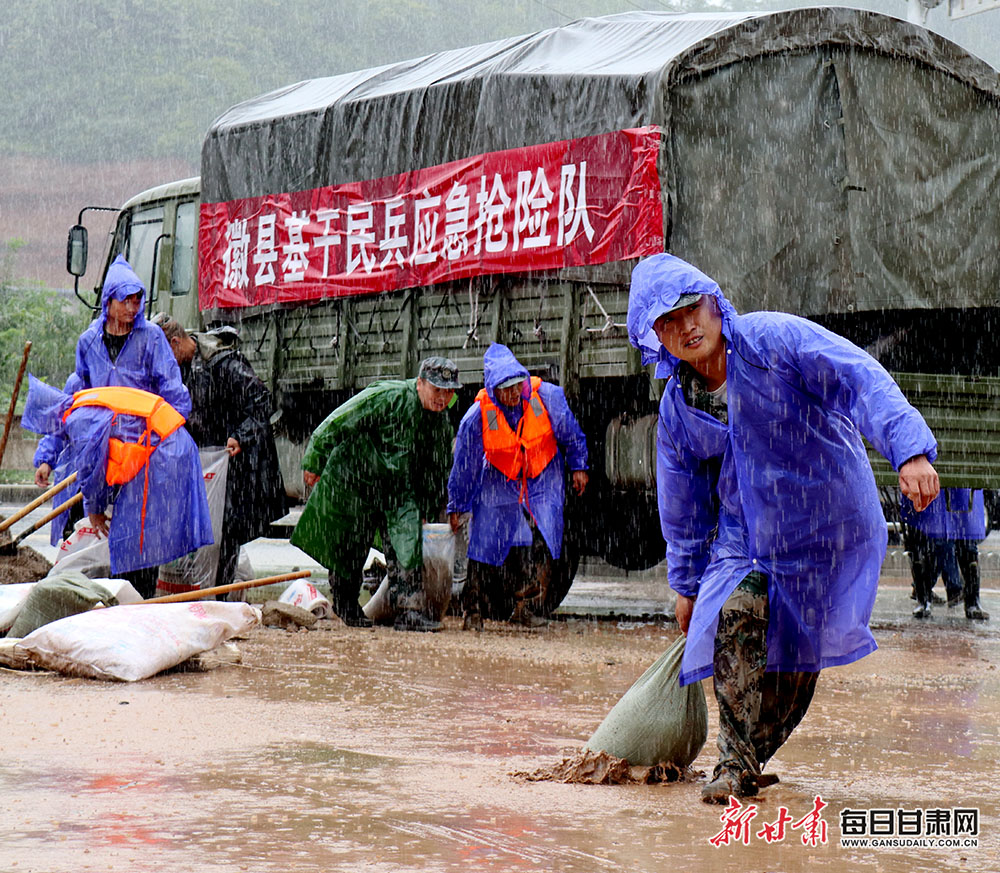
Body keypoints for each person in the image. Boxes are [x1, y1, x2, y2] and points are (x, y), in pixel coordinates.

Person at [627, 253, 940, 804]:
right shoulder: (679, 405)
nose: (687, 327)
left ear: (715, 303)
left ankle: (750, 758)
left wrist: (908, 449)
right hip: (748, 536)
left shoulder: (775, 341)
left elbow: (858, 376)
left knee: (796, 667)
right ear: (656, 337)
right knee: (736, 615)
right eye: (668, 322)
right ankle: (733, 763)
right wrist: (685, 583)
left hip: (824, 523)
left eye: (692, 309)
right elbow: (683, 504)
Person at [32, 255, 194, 596]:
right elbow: (72, 405)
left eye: (137, 300)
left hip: (142, 451)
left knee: (140, 534)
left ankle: (137, 602)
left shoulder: (151, 338)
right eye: (126, 301)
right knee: (88, 526)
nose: (133, 308)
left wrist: (163, 437)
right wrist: (47, 456)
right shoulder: (89, 342)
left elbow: (173, 393)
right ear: (109, 301)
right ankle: (91, 600)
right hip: (99, 451)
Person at [290, 357, 460, 631]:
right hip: (357, 479)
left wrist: (427, 508)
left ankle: (409, 611)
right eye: (437, 389)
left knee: (408, 544)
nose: (443, 398)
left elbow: (437, 470)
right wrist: (314, 458)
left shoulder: (440, 423)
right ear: (420, 383)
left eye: (449, 392)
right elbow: (339, 419)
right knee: (349, 546)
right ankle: (347, 604)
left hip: (399, 489)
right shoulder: (387, 396)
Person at [447, 343, 589, 628]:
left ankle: (525, 607)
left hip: (542, 474)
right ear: (493, 390)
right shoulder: (477, 416)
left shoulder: (547, 397)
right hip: (500, 476)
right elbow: (465, 466)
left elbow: (571, 433)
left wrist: (579, 466)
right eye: (506, 388)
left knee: (539, 537)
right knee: (485, 542)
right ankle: (472, 610)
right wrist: (458, 505)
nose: (514, 393)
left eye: (517, 385)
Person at [22, 375, 213, 587]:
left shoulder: (79, 418)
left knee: (139, 531)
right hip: (165, 445)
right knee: (135, 531)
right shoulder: (83, 403)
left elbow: (93, 470)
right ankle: (130, 587)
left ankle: (132, 591)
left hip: (163, 453)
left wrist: (94, 509)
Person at [152, 314, 288, 590]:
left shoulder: (223, 363)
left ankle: (217, 595)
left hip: (233, 468)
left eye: (165, 355)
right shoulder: (184, 369)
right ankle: (202, 592)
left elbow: (261, 401)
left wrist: (240, 436)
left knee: (224, 535)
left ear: (176, 343)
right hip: (204, 466)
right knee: (203, 533)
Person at [902, 487, 989, 620]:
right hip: (937, 489)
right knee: (934, 542)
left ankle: (971, 601)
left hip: (958, 490)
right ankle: (925, 599)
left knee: (966, 542)